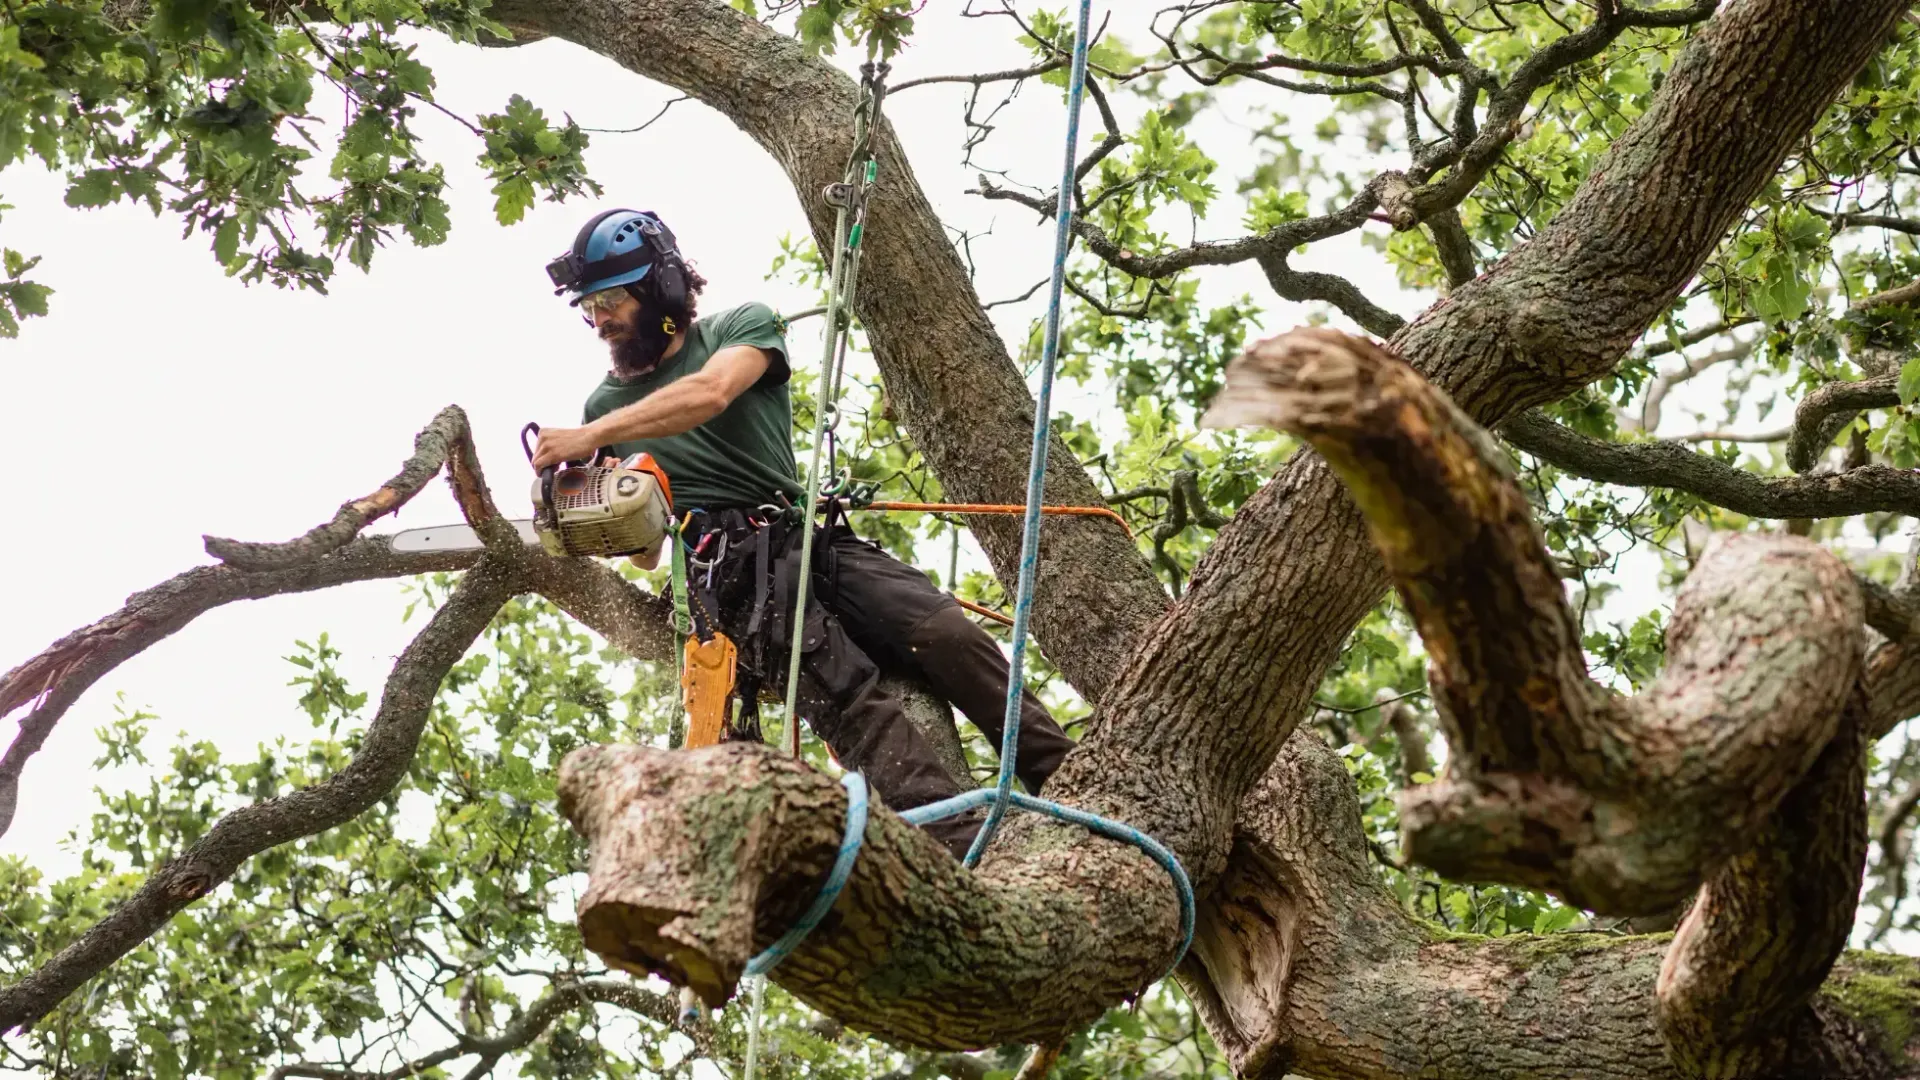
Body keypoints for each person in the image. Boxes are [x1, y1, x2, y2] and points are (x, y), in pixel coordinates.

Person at [530, 208, 1075, 858]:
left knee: (944, 631)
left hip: (802, 538)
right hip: (730, 572)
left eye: (612, 299)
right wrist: (602, 509)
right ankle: (967, 851)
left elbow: (709, 394)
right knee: (848, 694)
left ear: (663, 290)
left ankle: (1072, 783)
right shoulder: (605, 406)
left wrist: (594, 436)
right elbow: (649, 554)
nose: (600, 319)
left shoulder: (740, 328)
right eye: (590, 306)